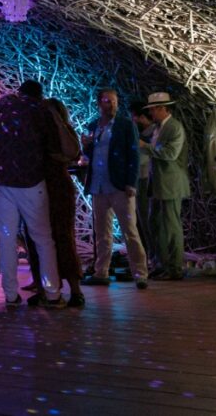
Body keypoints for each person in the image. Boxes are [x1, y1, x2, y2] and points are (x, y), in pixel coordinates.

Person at [0, 80, 66, 308]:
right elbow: (56, 147)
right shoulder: (41, 111)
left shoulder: (4, 107)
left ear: (19, 92)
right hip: (32, 183)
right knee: (43, 240)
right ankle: (52, 293)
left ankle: (10, 295)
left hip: (4, 184)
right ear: (39, 95)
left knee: (7, 239)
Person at [80, 89, 148, 290]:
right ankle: (101, 271)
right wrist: (86, 146)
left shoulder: (125, 125)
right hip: (98, 185)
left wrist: (131, 183)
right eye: (107, 101)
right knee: (102, 232)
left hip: (119, 186)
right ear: (99, 104)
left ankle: (140, 273)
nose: (112, 105)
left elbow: (133, 155)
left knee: (130, 231)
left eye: (115, 101)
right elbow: (90, 155)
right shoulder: (94, 126)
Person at [36, 98, 86, 306]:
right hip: (39, 186)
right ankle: (47, 288)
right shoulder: (38, 132)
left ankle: (75, 289)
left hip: (58, 186)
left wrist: (58, 121)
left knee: (63, 235)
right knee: (41, 238)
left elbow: (73, 152)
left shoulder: (64, 131)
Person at [140, 92, 189, 281]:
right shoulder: (158, 127)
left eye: (153, 109)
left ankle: (174, 268)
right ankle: (162, 264)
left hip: (170, 183)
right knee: (157, 224)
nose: (151, 113)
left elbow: (170, 154)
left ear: (163, 108)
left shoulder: (174, 127)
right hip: (159, 184)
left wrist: (145, 146)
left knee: (170, 225)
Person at [129, 100, 157, 260]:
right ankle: (149, 255)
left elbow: (142, 159)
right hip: (140, 180)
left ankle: (154, 255)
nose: (133, 121)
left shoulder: (153, 134)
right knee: (141, 221)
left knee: (147, 220)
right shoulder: (142, 135)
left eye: (135, 117)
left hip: (147, 180)